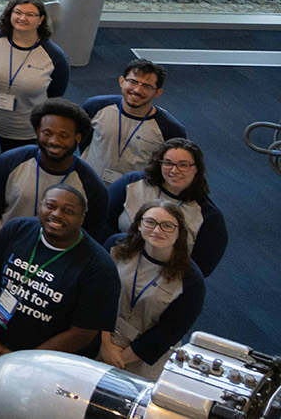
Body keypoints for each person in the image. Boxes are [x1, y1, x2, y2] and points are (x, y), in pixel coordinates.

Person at [0, 186, 119, 413]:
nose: (56, 214)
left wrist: (25, 361)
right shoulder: (17, 229)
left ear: (81, 219)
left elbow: (83, 333)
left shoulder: (99, 267)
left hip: (46, 369)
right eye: (51, 205)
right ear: (40, 206)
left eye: (68, 210)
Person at [102, 200, 206, 378]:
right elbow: (98, 297)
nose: (157, 231)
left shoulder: (191, 281)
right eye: (150, 222)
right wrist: (105, 345)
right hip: (101, 340)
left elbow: (166, 333)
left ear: (179, 232)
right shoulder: (116, 247)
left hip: (143, 359)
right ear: (139, 225)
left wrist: (118, 358)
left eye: (167, 226)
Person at [0, 98, 111, 239]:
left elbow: (90, 238)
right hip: (7, 248)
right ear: (38, 131)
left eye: (63, 135)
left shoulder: (93, 188)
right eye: (47, 133)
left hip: (57, 257)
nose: (54, 141)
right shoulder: (9, 162)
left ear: (78, 138)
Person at [0, 0, 69, 150]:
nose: (22, 18)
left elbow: (54, 94)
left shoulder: (55, 57)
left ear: (41, 20)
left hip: (21, 133)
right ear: (9, 14)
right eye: (18, 12)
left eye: (30, 15)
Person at [105, 138, 226, 276]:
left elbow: (201, 267)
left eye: (184, 165)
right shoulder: (132, 183)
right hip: (116, 263)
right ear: (159, 164)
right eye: (168, 163)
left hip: (162, 280)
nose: (174, 170)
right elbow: (103, 219)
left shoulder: (210, 217)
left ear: (197, 169)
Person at [81, 60, 188, 183]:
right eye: (133, 82)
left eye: (147, 86)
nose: (137, 90)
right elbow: (82, 140)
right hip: (89, 183)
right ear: (121, 81)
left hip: (133, 194)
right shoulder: (95, 106)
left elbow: (169, 168)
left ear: (157, 92)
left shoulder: (170, 129)